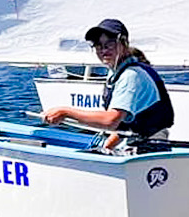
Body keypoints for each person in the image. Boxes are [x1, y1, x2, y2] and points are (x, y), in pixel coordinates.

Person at [41, 18, 174, 144]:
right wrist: (106, 146)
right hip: (137, 140)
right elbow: (125, 124)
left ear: (124, 43)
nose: (104, 50)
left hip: (151, 145)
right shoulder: (116, 73)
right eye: (98, 45)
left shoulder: (130, 76)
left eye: (110, 44)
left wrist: (65, 112)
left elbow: (110, 121)